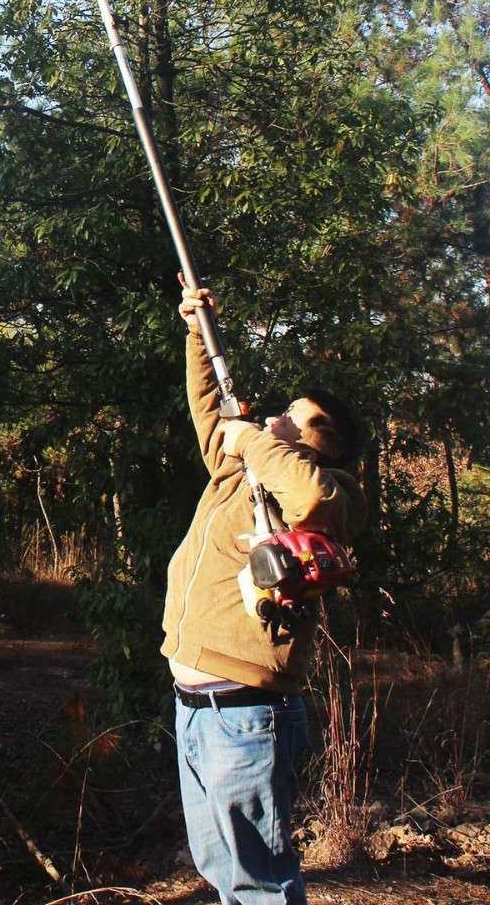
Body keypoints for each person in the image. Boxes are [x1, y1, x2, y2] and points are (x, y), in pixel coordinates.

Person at [162, 279, 366, 905]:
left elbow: (309, 496)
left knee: (259, 884)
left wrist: (256, 437)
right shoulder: (244, 476)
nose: (272, 418)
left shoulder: (326, 491)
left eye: (290, 418)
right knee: (222, 869)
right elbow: (209, 416)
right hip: (196, 710)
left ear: (316, 441)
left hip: (244, 717)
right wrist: (199, 331)